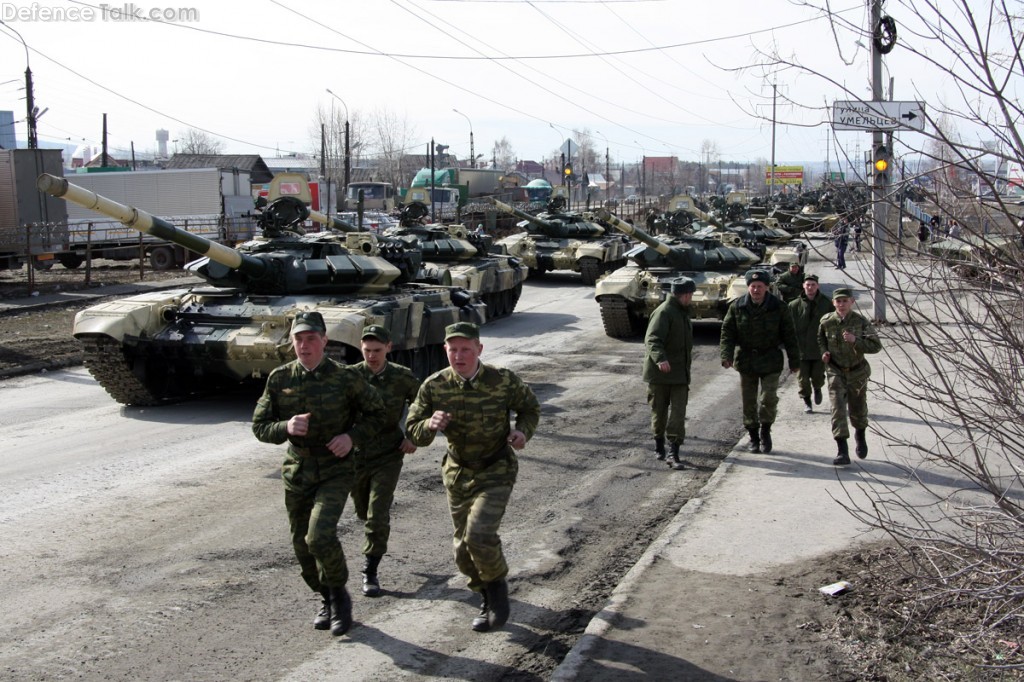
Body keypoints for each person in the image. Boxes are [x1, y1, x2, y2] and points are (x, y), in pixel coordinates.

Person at [252, 311, 388, 637]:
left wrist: (351, 437)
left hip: (335, 468)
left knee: (319, 536)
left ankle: (341, 599)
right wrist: (285, 426)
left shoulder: (346, 378)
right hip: (297, 469)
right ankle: (325, 596)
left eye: (311, 338)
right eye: (299, 339)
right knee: (301, 545)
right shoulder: (280, 378)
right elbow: (259, 426)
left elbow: (379, 414)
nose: (304, 345)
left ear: (324, 341)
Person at [406, 322, 540, 632]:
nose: (459, 355)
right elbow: (413, 432)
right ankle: (484, 594)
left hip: (496, 468)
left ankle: (497, 593)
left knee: (479, 534)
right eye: (453, 349)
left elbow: (530, 408)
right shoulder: (434, 386)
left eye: (466, 349)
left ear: (479, 349)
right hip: (458, 472)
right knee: (463, 551)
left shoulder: (501, 380)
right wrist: (429, 425)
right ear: (446, 351)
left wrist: (522, 432)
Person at [350, 325, 422, 598]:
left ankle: (370, 571)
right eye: (367, 350)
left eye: (377, 350)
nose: (372, 356)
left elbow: (422, 406)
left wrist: (413, 436)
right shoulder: (351, 376)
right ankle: (374, 522)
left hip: (389, 454)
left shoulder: (402, 377)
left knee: (377, 513)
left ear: (388, 348)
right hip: (356, 455)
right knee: (362, 511)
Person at [720, 269, 799, 454]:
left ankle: (765, 431)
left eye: (760, 287)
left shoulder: (779, 307)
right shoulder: (737, 306)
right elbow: (727, 332)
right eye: (753, 287)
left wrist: (795, 361)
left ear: (767, 288)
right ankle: (753, 436)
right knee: (749, 402)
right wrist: (726, 355)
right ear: (748, 288)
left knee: (768, 399)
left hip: (770, 359)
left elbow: (790, 335)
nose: (756, 290)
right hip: (746, 360)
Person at [817, 288, 883, 466]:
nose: (841, 304)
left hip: (856, 371)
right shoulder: (827, 321)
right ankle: (842, 450)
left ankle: (860, 435)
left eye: (845, 301)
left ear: (852, 302)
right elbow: (821, 339)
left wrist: (856, 341)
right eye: (838, 301)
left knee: (858, 408)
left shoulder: (860, 322)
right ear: (833, 303)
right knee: (837, 409)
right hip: (835, 371)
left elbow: (876, 346)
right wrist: (824, 353)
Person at [643, 277, 695, 470]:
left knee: (678, 413)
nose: (691, 298)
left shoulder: (682, 312)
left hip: (680, 374)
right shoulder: (664, 312)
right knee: (659, 411)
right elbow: (653, 338)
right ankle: (659, 444)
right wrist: (660, 358)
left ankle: (674, 451)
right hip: (660, 373)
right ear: (685, 295)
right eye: (690, 295)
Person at [788, 273, 832, 414]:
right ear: (803, 286)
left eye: (813, 284)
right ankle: (807, 402)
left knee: (818, 375)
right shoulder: (794, 305)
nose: (810, 287)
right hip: (801, 348)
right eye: (808, 284)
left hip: (819, 348)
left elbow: (832, 323)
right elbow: (787, 326)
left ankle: (817, 388)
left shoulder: (826, 303)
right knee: (803, 379)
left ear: (817, 286)